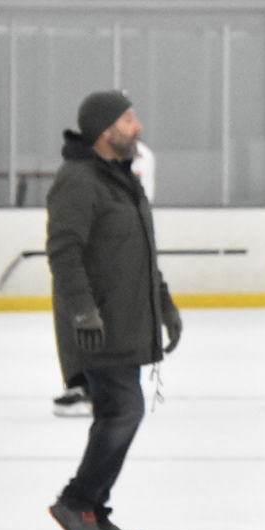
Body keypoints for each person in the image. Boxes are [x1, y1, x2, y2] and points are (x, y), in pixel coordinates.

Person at [44, 90, 181, 530]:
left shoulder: (120, 178)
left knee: (118, 413)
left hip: (125, 319)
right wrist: (83, 310)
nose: (137, 127)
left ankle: (92, 509)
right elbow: (64, 252)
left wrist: (164, 304)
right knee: (123, 411)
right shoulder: (79, 181)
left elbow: (141, 251)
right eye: (127, 120)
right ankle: (77, 501)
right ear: (104, 131)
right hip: (98, 324)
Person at [50, 139, 156, 418]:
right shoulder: (84, 165)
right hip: (94, 244)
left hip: (116, 243)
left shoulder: (137, 156)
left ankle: (100, 384)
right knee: (76, 309)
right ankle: (81, 381)